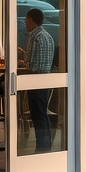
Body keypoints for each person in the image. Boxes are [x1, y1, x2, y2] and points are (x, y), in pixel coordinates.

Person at [21, 8, 55, 152]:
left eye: (26, 20)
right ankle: (46, 145)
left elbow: (31, 64)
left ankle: (41, 147)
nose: (25, 24)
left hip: (35, 79)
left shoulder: (34, 37)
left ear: (30, 20)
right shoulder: (47, 36)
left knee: (37, 114)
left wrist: (22, 60)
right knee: (43, 113)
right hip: (45, 79)